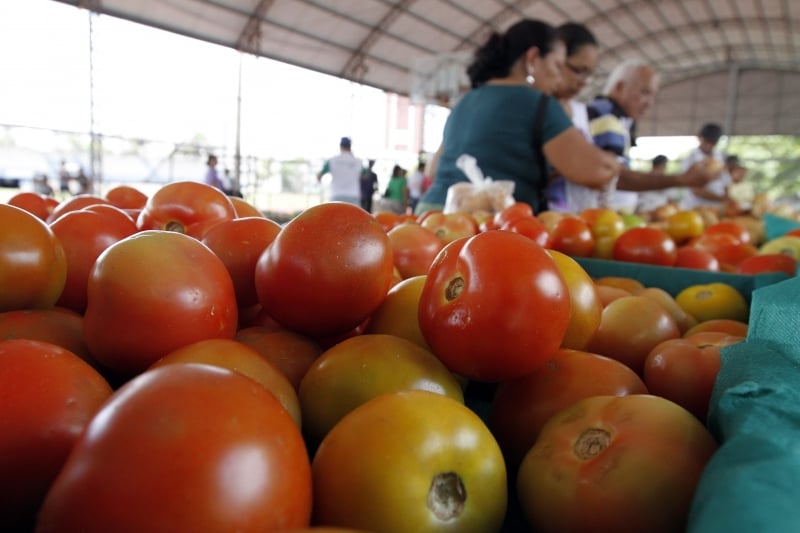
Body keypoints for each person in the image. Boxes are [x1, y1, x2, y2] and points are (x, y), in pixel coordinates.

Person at [415, 19, 620, 215]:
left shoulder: (466, 100)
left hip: (431, 214)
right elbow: (594, 172)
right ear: (532, 58)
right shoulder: (540, 104)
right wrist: (612, 163)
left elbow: (432, 171)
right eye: (557, 66)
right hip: (485, 224)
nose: (558, 78)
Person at [585, 60, 719, 212]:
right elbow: (614, 176)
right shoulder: (607, 118)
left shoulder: (617, 120)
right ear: (620, 87)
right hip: (598, 220)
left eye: (653, 95)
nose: (650, 103)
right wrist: (682, 179)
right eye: (645, 92)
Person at [547, 22, 601, 212]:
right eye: (579, 70)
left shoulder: (580, 111)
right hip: (543, 218)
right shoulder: (536, 108)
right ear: (557, 60)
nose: (583, 82)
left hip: (578, 220)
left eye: (589, 74)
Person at [680, 122, 727, 209]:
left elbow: (725, 182)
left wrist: (726, 199)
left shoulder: (720, 157)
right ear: (699, 136)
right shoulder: (690, 159)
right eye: (707, 141)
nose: (709, 145)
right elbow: (695, 189)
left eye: (713, 142)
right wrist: (722, 198)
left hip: (717, 207)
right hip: (695, 206)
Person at [316, 137, 362, 205]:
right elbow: (365, 175)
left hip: (336, 195)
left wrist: (320, 183)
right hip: (353, 195)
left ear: (340, 146)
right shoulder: (358, 161)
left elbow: (319, 176)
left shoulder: (332, 160)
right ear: (350, 147)